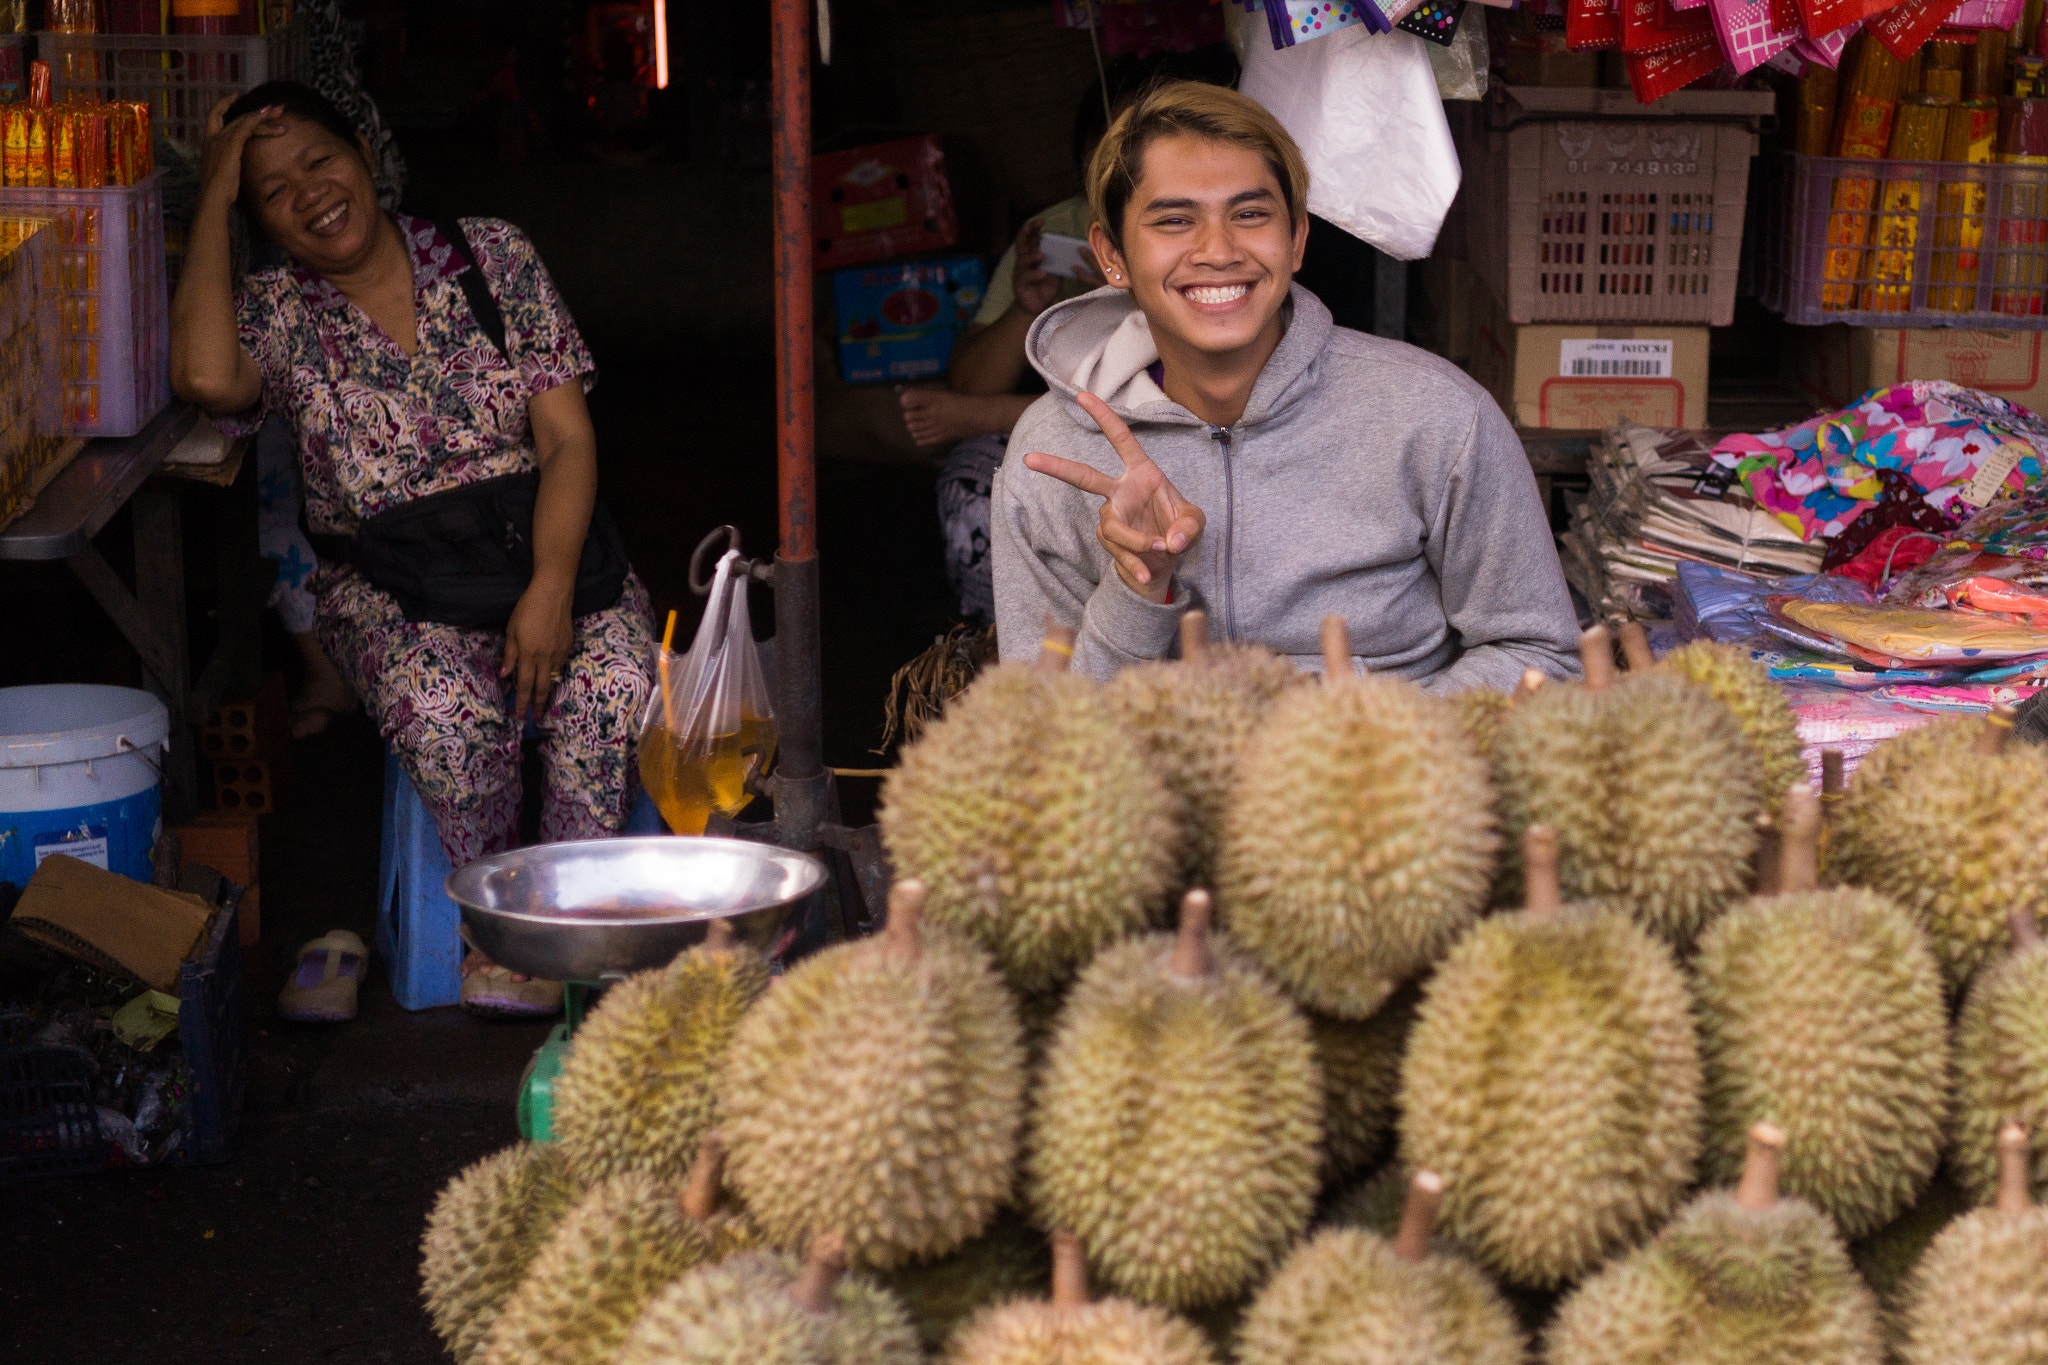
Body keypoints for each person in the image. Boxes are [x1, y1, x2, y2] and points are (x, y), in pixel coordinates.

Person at [169, 82, 656, 1017]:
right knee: (447, 711)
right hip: (390, 585)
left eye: (319, 160)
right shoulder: (276, 310)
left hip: (541, 546)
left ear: (363, 149)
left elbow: (567, 440)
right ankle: (494, 927)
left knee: (614, 682)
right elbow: (203, 378)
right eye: (272, 190)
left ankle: (568, 926)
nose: (310, 193)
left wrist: (551, 588)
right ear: (256, 215)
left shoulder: (490, 254)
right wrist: (213, 189)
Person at [992, 82, 1581, 690]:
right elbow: (1040, 721)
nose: (1218, 251)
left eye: (1250, 215)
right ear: (1111, 254)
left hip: (1391, 774)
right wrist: (1138, 587)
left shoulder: (1437, 416)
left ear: (1297, 238)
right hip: (1162, 778)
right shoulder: (1053, 453)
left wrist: (1371, 743)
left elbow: (1541, 653)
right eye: (1173, 221)